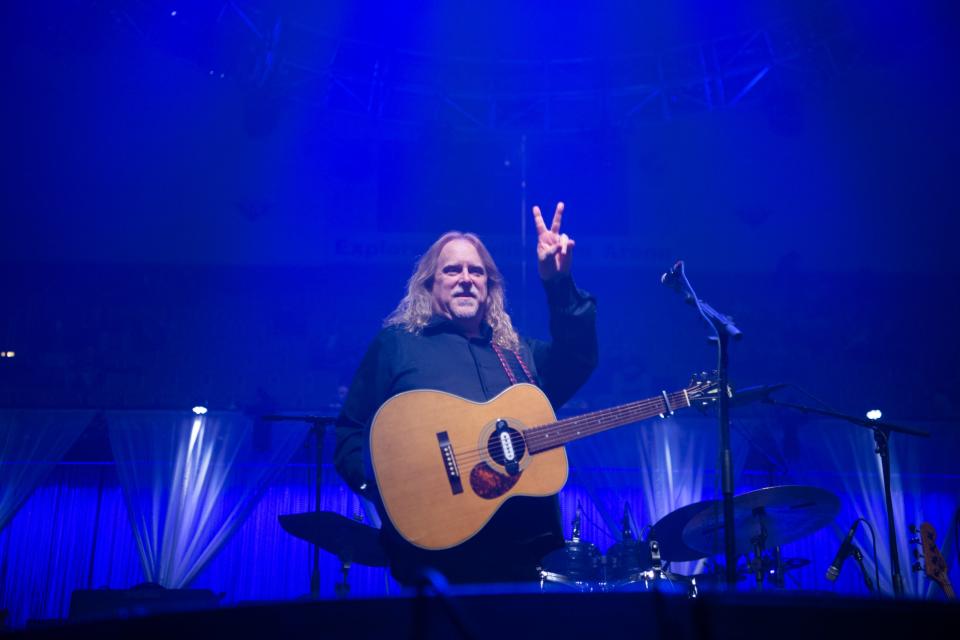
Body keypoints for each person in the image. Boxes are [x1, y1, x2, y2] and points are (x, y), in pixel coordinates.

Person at [333, 203, 598, 585]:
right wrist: (379, 489)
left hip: (523, 556)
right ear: (430, 284)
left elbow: (578, 359)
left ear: (490, 288)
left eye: (477, 271)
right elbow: (350, 432)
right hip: (434, 559)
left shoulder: (518, 354)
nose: (466, 278)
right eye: (452, 270)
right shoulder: (398, 345)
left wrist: (559, 284)